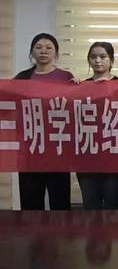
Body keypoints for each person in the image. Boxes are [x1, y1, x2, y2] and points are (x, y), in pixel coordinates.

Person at [14, 33, 74, 210]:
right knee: (30, 203)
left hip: (58, 149)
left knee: (60, 203)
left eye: (49, 48)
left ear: (56, 53)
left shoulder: (66, 77)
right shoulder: (22, 78)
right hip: (31, 149)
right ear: (32, 52)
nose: (43, 51)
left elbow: (75, 108)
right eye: (38, 47)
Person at [77, 42, 118, 210]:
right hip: (87, 154)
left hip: (114, 155)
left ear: (111, 60)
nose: (98, 61)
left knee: (113, 204)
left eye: (103, 57)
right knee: (90, 204)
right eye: (93, 57)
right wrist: (70, 89)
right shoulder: (81, 86)